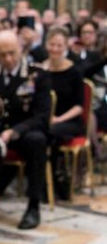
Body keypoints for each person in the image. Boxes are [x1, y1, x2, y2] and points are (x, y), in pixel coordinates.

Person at [0, 30, 51, 229]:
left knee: (37, 141)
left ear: (20, 49)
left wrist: (16, 131)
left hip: (24, 132)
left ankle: (33, 205)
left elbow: (43, 115)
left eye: (12, 53)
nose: (8, 59)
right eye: (2, 55)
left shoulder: (37, 74)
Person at [43, 27, 86, 200]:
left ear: (65, 46)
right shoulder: (41, 69)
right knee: (42, 133)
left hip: (70, 120)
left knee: (50, 133)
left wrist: (59, 119)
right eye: (52, 44)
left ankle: (52, 180)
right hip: (47, 119)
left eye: (59, 45)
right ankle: (50, 182)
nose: (55, 49)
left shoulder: (74, 72)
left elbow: (79, 106)